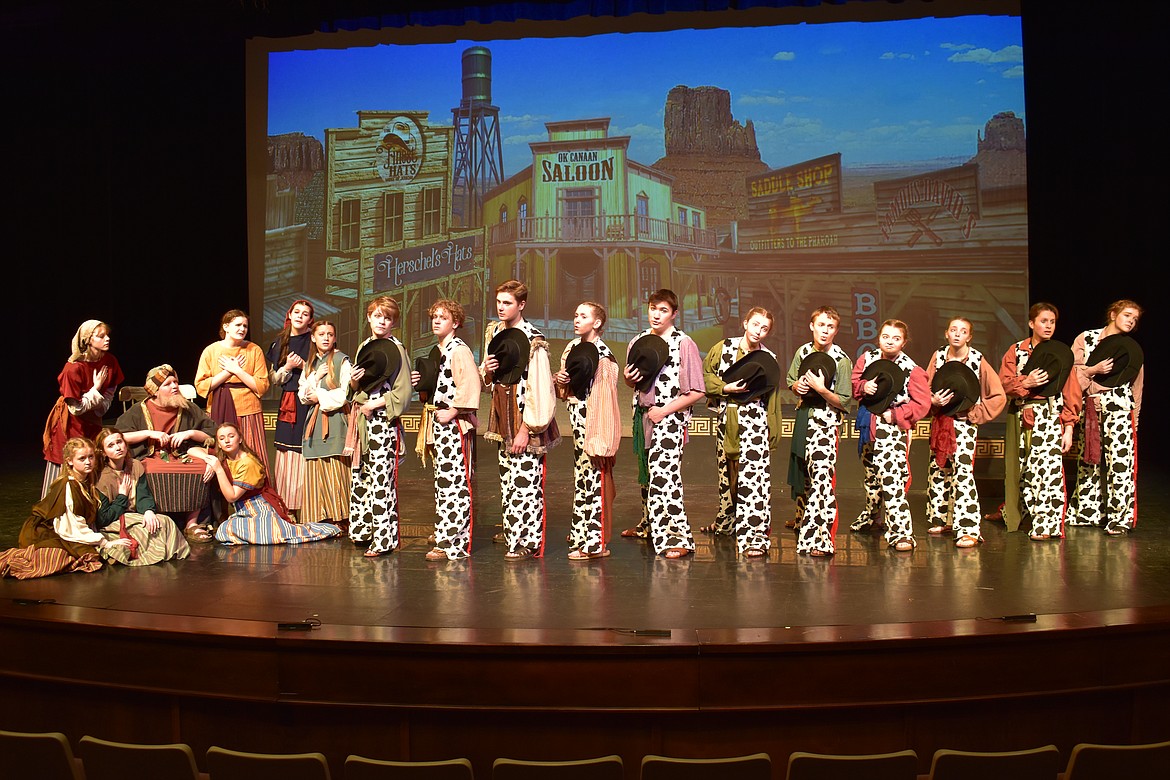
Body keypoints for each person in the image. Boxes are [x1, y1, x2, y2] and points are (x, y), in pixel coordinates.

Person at [621, 289, 705, 559]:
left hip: (670, 417)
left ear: (674, 314)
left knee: (666, 477)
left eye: (663, 310)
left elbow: (697, 392)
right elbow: (634, 382)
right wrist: (628, 378)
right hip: (643, 415)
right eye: (653, 308)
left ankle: (677, 537)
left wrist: (664, 411)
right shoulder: (639, 341)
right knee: (647, 475)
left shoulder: (683, 343)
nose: (656, 314)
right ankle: (648, 524)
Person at [480, 280, 560, 560]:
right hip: (504, 415)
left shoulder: (532, 339)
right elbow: (487, 380)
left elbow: (540, 388)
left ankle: (527, 541)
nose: (501, 308)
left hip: (525, 416)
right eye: (499, 302)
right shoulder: (495, 332)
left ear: (521, 305)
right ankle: (513, 531)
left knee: (526, 483)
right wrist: (488, 372)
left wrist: (528, 428)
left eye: (508, 303)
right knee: (508, 482)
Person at [701, 307, 783, 558]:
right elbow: (705, 375)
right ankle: (726, 522)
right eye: (755, 324)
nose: (758, 331)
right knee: (726, 473)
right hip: (728, 416)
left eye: (764, 328)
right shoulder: (723, 347)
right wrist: (724, 387)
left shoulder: (768, 358)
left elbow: (772, 396)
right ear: (745, 323)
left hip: (754, 419)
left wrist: (773, 430)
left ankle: (755, 535)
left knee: (754, 480)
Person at [999, 302, 1082, 540]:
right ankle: (1018, 515)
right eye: (1043, 321)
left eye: (1052, 322)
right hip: (1019, 415)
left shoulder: (1060, 353)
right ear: (1031, 323)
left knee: (1047, 470)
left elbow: (1071, 391)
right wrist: (1025, 382)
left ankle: (1047, 524)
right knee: (1020, 470)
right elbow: (1003, 383)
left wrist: (1068, 427)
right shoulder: (1016, 351)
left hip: (1048, 414)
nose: (1048, 326)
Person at [924, 318, 1007, 547]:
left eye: (963, 331)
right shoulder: (938, 356)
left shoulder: (977, 359)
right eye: (953, 330)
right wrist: (932, 400)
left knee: (962, 473)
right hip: (941, 421)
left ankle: (968, 527)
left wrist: (975, 414)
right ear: (946, 334)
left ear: (969, 336)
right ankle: (942, 518)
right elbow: (925, 387)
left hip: (963, 425)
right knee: (939, 469)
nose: (957, 334)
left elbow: (998, 395)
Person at [851, 319, 932, 551]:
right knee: (871, 477)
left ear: (904, 342)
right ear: (879, 338)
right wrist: (863, 387)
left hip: (892, 429)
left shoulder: (912, 369)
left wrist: (896, 415)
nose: (890, 341)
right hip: (869, 424)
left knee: (892, 481)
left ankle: (901, 533)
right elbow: (855, 383)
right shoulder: (867, 359)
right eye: (886, 336)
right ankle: (872, 517)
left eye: (896, 338)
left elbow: (922, 404)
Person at [115, 364, 219, 542]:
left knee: (201, 467)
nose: (174, 386)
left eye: (175, 382)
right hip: (151, 456)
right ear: (155, 391)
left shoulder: (186, 408)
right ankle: (160, 518)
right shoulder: (140, 410)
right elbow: (119, 435)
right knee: (149, 470)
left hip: (183, 454)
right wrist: (149, 434)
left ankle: (191, 523)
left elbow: (211, 433)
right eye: (168, 384)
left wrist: (190, 433)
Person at [2, 437, 131, 578]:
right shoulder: (68, 485)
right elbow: (70, 526)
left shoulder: (87, 481)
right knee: (68, 558)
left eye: (91, 457)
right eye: (82, 459)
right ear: (70, 461)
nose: (88, 462)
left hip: (67, 530)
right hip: (44, 532)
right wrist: (105, 543)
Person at [413, 300, 481, 561]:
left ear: (456, 322)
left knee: (455, 482)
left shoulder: (459, 350)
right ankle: (445, 530)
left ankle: (454, 543)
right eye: (434, 317)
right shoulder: (438, 349)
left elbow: (470, 384)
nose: (437, 321)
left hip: (454, 423)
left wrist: (454, 411)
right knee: (443, 482)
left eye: (443, 317)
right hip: (437, 421)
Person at [1070, 299, 1144, 535]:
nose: (1131, 321)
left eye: (1135, 319)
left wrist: (1137, 418)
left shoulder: (1130, 348)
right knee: (1088, 461)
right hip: (1090, 407)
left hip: (1120, 408)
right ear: (1113, 314)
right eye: (1127, 315)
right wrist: (1093, 370)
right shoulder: (1086, 338)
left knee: (1120, 463)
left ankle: (1119, 517)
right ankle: (1087, 512)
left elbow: (1137, 386)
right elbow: (1071, 373)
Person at [555, 302, 621, 561]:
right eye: (575, 314)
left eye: (583, 316)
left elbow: (605, 399)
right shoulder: (573, 347)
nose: (576, 319)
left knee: (596, 480)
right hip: (578, 423)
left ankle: (596, 543)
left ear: (597, 323)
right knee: (582, 480)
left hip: (595, 423)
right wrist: (560, 380)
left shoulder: (603, 355)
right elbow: (568, 388)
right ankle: (582, 533)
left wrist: (601, 439)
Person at [787, 306, 854, 557]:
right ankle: (805, 525)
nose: (825, 331)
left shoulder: (841, 360)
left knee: (822, 482)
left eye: (830, 326)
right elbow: (791, 380)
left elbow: (844, 401)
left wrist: (822, 389)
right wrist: (799, 386)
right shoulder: (802, 352)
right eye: (821, 325)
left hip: (826, 424)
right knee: (806, 479)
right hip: (804, 419)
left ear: (836, 331)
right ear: (812, 326)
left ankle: (821, 539)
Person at [348, 296, 412, 556]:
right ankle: (364, 531)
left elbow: (403, 393)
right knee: (361, 477)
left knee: (381, 481)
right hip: (364, 420)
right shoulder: (365, 345)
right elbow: (358, 387)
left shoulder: (396, 348)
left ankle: (384, 540)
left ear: (393, 322)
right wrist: (353, 383)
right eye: (377, 316)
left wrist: (374, 405)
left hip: (384, 423)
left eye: (387, 317)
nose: (381, 321)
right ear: (369, 317)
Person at [209, 422, 341, 545]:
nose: (227, 441)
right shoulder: (225, 459)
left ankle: (328, 529)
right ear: (219, 444)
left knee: (273, 534)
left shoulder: (247, 462)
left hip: (260, 507)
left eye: (231, 436)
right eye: (222, 438)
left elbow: (232, 496)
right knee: (223, 531)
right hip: (243, 510)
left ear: (240, 439)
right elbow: (193, 450)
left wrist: (218, 469)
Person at [41, 320, 124, 497]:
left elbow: (110, 390)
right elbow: (75, 408)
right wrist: (95, 389)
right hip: (70, 423)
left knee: (91, 460)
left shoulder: (109, 361)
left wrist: (102, 405)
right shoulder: (73, 368)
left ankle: (88, 509)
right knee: (68, 460)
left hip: (93, 420)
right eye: (101, 336)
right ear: (88, 340)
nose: (107, 339)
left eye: (107, 335)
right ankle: (53, 512)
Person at [92, 427, 190, 565]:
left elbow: (143, 494)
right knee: (144, 532)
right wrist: (122, 496)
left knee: (164, 521)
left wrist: (148, 511)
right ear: (103, 452)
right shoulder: (101, 477)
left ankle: (170, 556)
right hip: (114, 521)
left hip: (134, 515)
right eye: (111, 445)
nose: (117, 447)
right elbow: (104, 518)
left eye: (119, 442)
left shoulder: (135, 466)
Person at [195, 309, 271, 472]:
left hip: (248, 411)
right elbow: (201, 385)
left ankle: (255, 492)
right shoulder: (211, 351)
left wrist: (237, 371)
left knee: (252, 453)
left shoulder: (254, 350)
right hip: (219, 407)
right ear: (226, 327)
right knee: (222, 454)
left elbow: (262, 385)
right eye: (238, 325)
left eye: (245, 326)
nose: (242, 329)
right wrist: (227, 372)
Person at [298, 320, 353, 529]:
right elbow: (302, 394)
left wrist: (319, 394)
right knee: (316, 466)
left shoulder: (341, 360)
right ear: (313, 337)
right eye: (321, 334)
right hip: (314, 420)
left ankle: (341, 517)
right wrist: (316, 377)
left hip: (335, 418)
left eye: (330, 334)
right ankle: (319, 517)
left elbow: (346, 393)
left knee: (335, 467)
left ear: (335, 337)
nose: (326, 338)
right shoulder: (311, 363)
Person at [266, 299, 315, 518]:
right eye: (297, 312)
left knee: (306, 448)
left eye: (305, 314)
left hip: (309, 400)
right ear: (290, 314)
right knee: (286, 450)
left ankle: (307, 504)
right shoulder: (280, 341)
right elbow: (275, 378)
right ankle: (286, 506)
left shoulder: (315, 340)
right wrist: (287, 366)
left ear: (310, 319)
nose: (300, 316)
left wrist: (304, 367)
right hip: (288, 401)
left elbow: (327, 371)